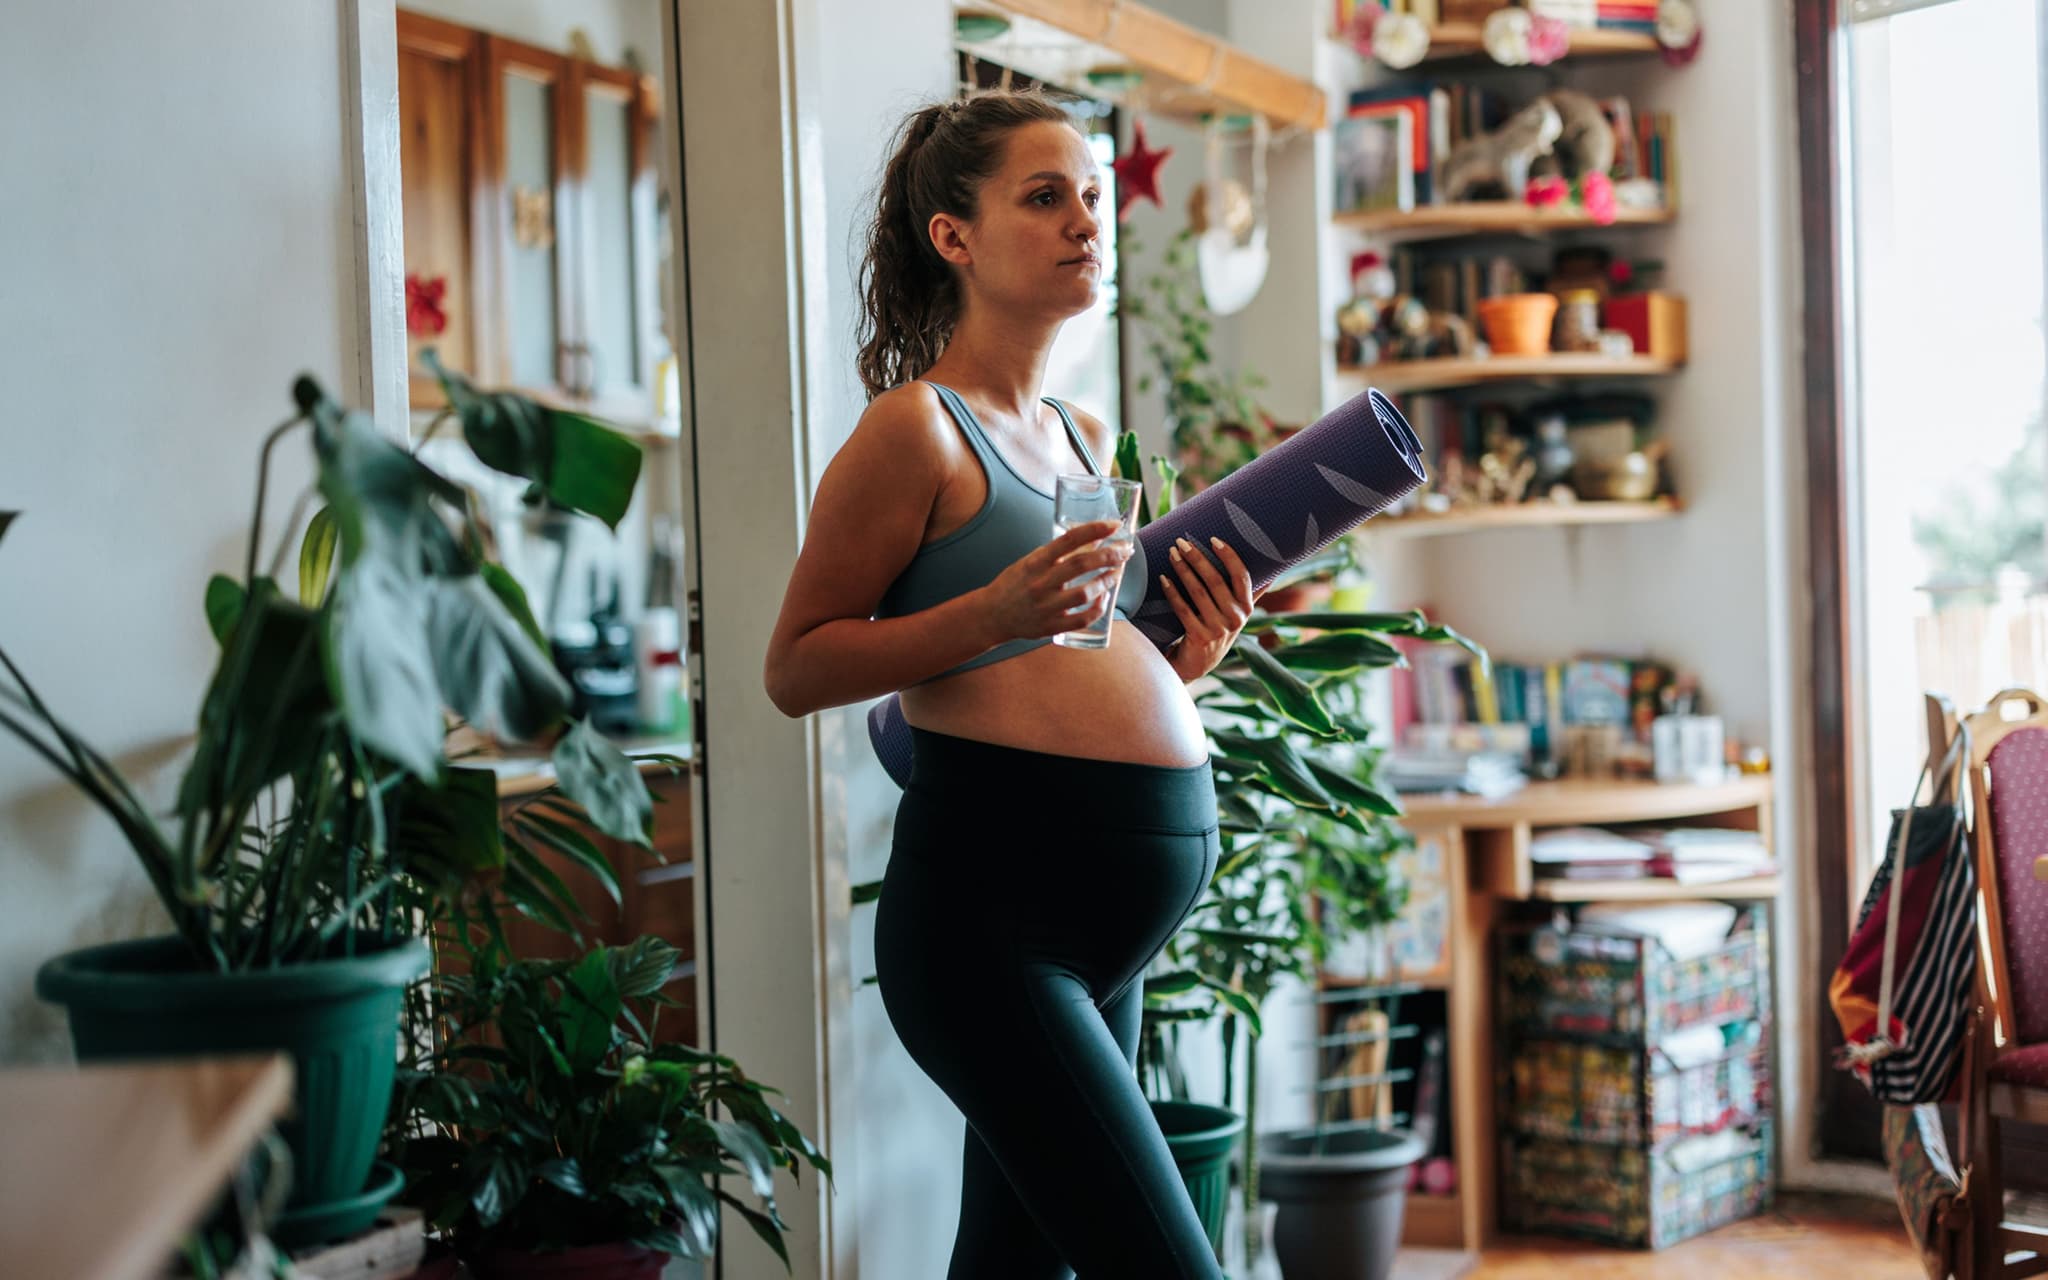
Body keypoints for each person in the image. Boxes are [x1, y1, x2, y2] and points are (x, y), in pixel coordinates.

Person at [764, 90, 1261, 1279]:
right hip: (992, 918)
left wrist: (1180, 660)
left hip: (1108, 934)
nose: (1083, 221)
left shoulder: (1083, 435)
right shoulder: (916, 431)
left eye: (1090, 196)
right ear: (955, 236)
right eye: (1044, 198)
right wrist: (990, 611)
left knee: (1009, 1266)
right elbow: (795, 663)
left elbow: (1068, 657)